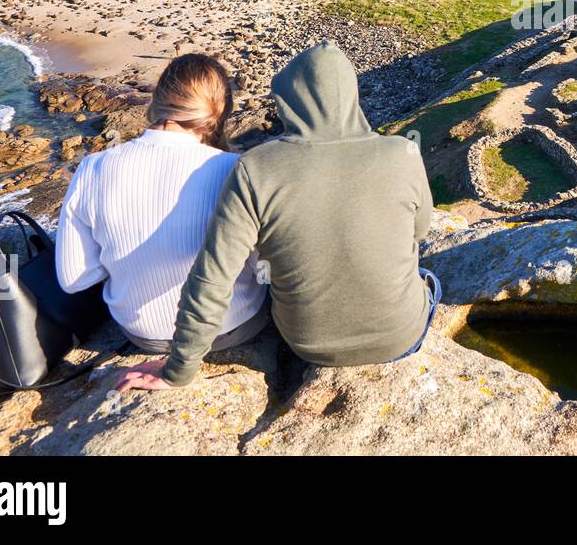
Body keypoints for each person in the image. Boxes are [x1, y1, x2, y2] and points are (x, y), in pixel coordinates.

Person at [113, 41, 437, 392]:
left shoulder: (256, 168)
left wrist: (177, 371)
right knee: (427, 274)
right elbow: (418, 233)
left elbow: (213, 278)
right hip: (400, 337)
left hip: (308, 345)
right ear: (351, 94)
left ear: (287, 102)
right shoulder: (403, 152)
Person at [56, 54, 269, 353]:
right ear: (220, 112)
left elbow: (73, 279)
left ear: (157, 100)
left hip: (142, 333)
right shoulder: (237, 169)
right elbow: (263, 267)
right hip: (232, 324)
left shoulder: (93, 167)